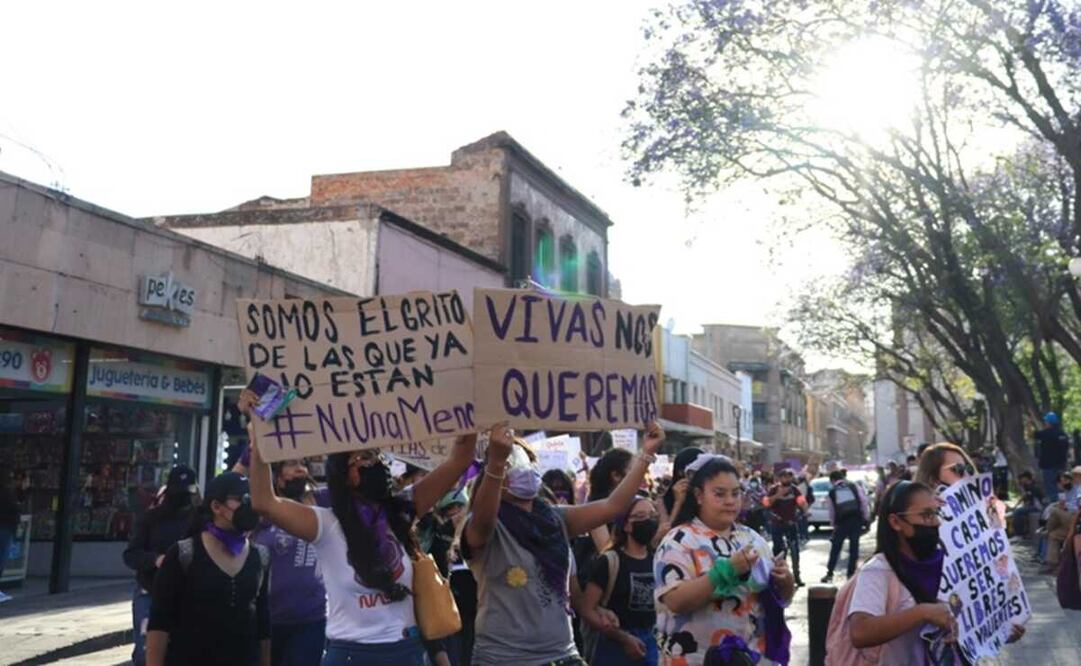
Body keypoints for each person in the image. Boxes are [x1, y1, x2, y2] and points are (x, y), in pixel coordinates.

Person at [247, 417, 478, 666]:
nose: (378, 464)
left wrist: (468, 414)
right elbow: (264, 502)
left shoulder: (402, 511)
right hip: (351, 655)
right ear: (345, 475)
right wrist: (258, 446)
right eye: (366, 457)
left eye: (379, 457)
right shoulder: (325, 524)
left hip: (407, 652)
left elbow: (460, 460)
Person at [463, 422, 665, 666]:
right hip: (504, 659)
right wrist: (497, 462)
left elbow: (612, 506)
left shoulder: (554, 519)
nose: (523, 470)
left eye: (526, 462)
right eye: (512, 464)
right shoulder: (485, 526)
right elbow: (483, 521)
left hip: (561, 655)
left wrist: (646, 454)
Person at [654, 455, 795, 665]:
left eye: (735, 493)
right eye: (719, 494)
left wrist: (785, 582)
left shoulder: (752, 538)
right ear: (699, 495)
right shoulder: (678, 541)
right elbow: (676, 601)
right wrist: (725, 571)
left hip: (752, 657)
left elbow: (777, 598)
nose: (730, 501)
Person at [146, 472, 270, 666]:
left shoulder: (260, 556)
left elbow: (263, 623)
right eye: (242, 499)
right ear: (216, 507)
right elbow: (159, 622)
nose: (250, 506)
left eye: (253, 498)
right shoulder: (183, 554)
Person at [843, 480, 956, 664]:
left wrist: (1004, 629)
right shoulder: (879, 570)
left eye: (936, 513)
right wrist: (922, 613)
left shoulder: (942, 563)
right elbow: (860, 632)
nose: (935, 522)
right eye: (926, 515)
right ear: (896, 522)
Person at [250, 458, 327, 666]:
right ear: (278, 479)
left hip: (310, 619)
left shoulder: (320, 502)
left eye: (303, 464)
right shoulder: (262, 511)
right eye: (292, 464)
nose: (300, 469)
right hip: (266, 620)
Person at [123, 464, 199, 665]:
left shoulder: (199, 520)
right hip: (151, 592)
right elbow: (131, 555)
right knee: (146, 654)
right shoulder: (150, 519)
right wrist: (156, 560)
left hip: (187, 595)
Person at [581, 496, 659, 665]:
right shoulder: (609, 561)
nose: (648, 520)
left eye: (652, 515)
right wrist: (623, 638)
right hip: (613, 646)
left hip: (651, 644)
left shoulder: (659, 559)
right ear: (626, 525)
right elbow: (587, 610)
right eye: (640, 516)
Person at [820, 469, 870, 583]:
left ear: (832, 480)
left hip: (842, 522)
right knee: (854, 546)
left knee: (836, 548)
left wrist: (834, 525)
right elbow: (863, 501)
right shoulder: (854, 486)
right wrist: (866, 518)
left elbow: (831, 511)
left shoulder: (832, 491)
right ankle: (851, 574)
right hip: (856, 519)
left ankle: (829, 573)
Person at [763, 468, 806, 587]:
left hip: (791, 524)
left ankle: (796, 576)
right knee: (779, 551)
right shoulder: (774, 489)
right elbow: (766, 503)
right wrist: (778, 495)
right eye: (785, 476)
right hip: (777, 524)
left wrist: (804, 509)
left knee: (795, 551)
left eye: (789, 476)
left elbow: (802, 502)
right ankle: (779, 577)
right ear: (780, 478)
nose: (787, 479)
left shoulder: (794, 490)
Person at [656, 447, 702, 538]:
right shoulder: (663, 501)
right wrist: (678, 503)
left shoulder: (708, 495)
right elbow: (665, 534)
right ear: (681, 473)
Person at [1037, 412, 1070, 502]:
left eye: (1046, 422)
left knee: (1051, 488)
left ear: (1048, 423)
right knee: (1062, 486)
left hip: (1048, 466)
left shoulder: (1045, 434)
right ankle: (1063, 505)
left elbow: (1035, 435)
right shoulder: (1063, 434)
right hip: (1061, 466)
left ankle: (1054, 507)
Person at [0, 466, 21, 604]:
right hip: (5, 528)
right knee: (1, 556)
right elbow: (14, 510)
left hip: (6, 526)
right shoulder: (7, 493)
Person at [1013, 470, 1047, 538]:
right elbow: (1025, 497)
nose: (1021, 480)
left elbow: (1036, 500)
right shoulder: (1027, 486)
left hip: (1038, 507)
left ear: (1026, 478)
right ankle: (1024, 531)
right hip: (1033, 505)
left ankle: (1020, 533)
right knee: (1019, 511)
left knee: (1017, 512)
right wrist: (1016, 505)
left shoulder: (1034, 487)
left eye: (1022, 478)